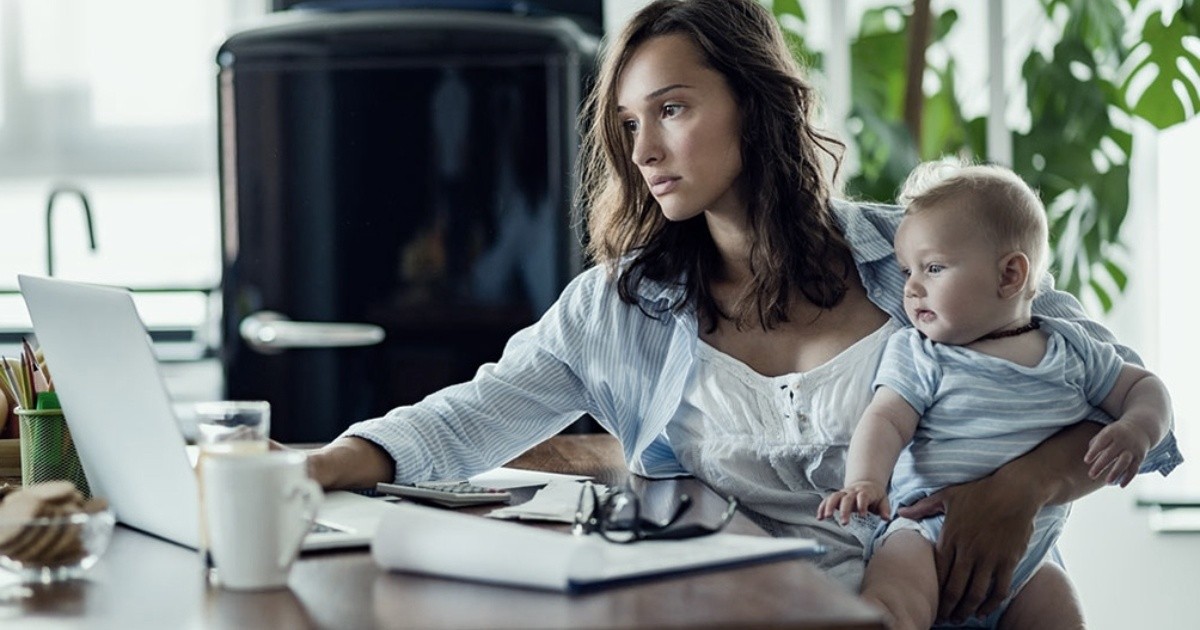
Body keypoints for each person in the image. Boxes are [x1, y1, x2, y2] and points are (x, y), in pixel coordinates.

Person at [296, 0, 1182, 622]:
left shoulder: (916, 254)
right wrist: (317, 467)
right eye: (629, 124)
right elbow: (467, 419)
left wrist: (1022, 488)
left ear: (755, 107)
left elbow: (1123, 398)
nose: (644, 150)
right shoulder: (616, 309)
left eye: (673, 109)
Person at [815, 161, 1174, 628]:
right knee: (894, 603)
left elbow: (1144, 386)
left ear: (1009, 276)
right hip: (924, 534)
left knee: (1062, 615)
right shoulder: (921, 353)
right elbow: (885, 419)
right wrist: (865, 481)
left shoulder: (1071, 349)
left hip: (1029, 553)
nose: (912, 288)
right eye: (907, 272)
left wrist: (1138, 427)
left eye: (933, 268)